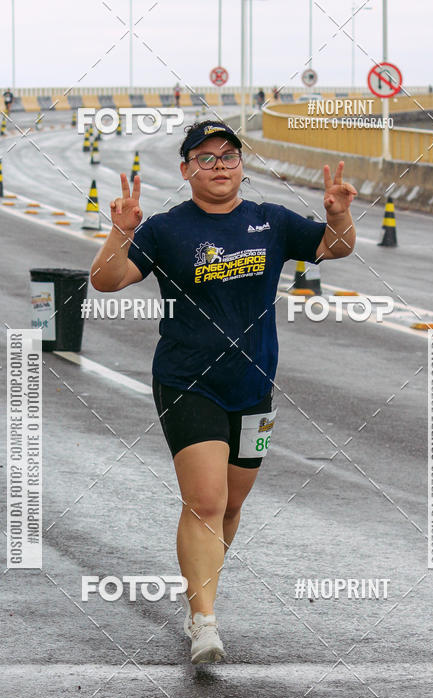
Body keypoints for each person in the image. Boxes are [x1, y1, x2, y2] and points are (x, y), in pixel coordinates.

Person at [90, 120, 357, 664]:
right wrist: (120, 231)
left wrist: (337, 213)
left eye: (228, 156)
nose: (218, 166)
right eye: (205, 157)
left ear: (242, 165)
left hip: (254, 383)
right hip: (188, 380)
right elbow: (107, 281)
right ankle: (204, 619)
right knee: (205, 499)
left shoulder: (271, 221)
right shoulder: (167, 230)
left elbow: (337, 247)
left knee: (232, 504)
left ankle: (202, 591)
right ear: (186, 169)